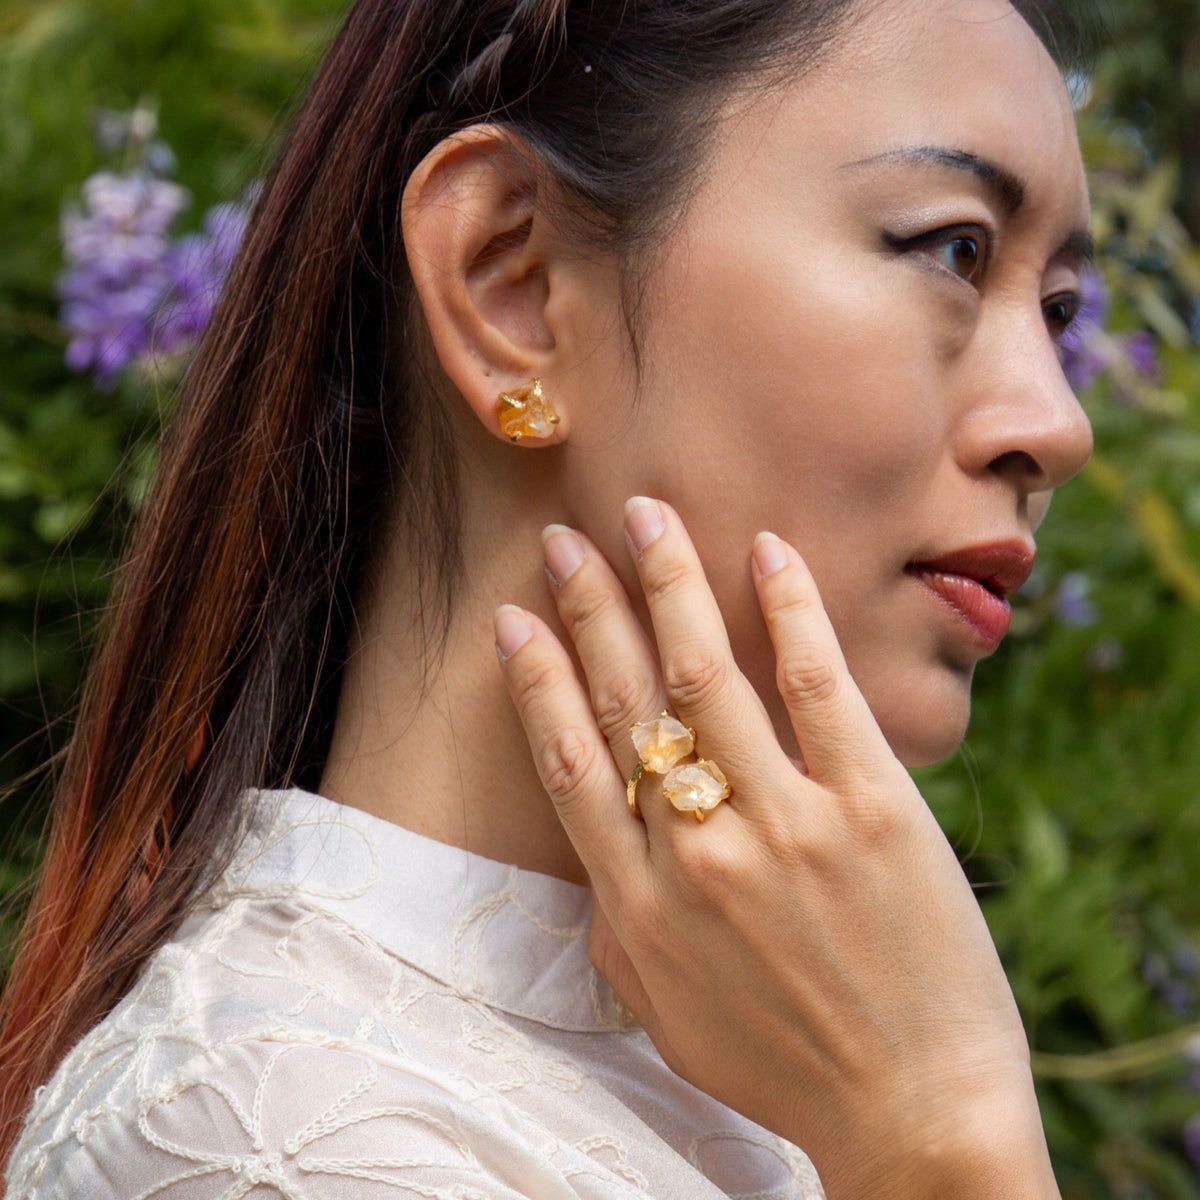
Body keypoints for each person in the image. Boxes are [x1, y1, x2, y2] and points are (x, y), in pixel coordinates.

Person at [0, 0, 1096, 1195]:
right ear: (511, 284)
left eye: (1058, 313)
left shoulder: (790, 1081)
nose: (1059, 422)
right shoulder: (265, 1138)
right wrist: (944, 1141)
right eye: (956, 248)